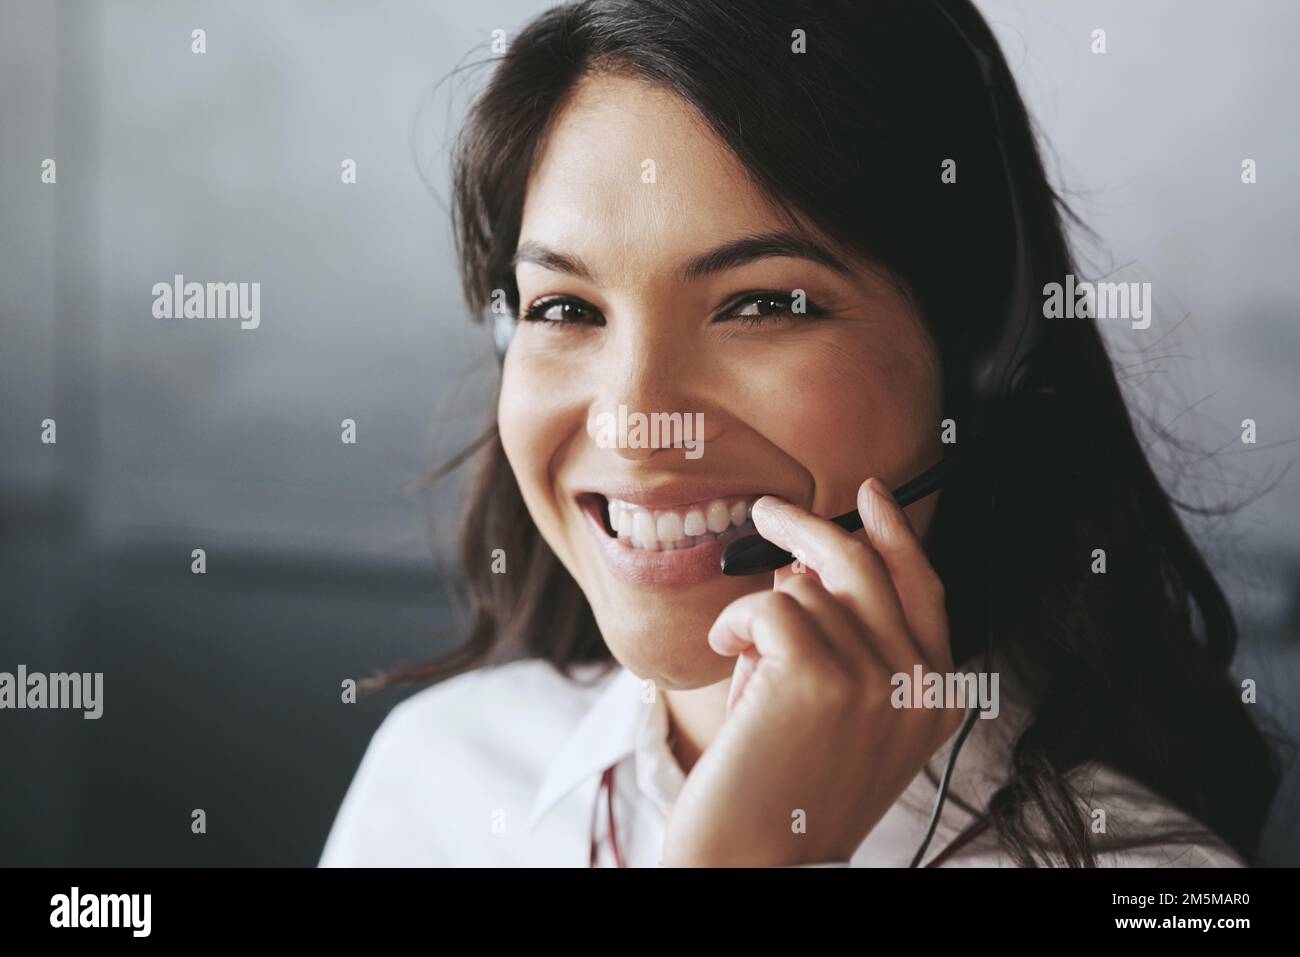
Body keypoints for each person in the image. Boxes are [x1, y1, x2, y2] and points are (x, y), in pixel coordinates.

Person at [320, 0, 1278, 867]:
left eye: (761, 304)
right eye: (566, 309)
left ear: (985, 355)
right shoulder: (440, 776)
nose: (638, 425)